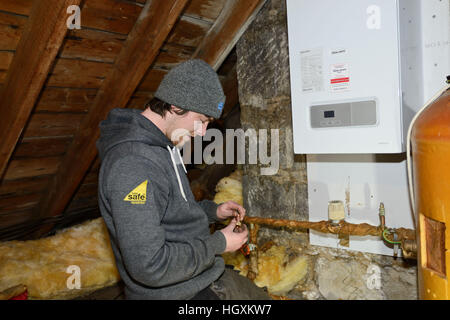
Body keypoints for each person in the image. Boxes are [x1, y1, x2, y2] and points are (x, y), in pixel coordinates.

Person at [96, 59, 270, 300]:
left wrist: (213, 211)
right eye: (201, 120)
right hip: (178, 294)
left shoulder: (165, 145)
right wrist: (218, 243)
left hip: (199, 277)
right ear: (175, 105)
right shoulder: (133, 165)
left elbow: (168, 209)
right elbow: (150, 266)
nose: (202, 132)